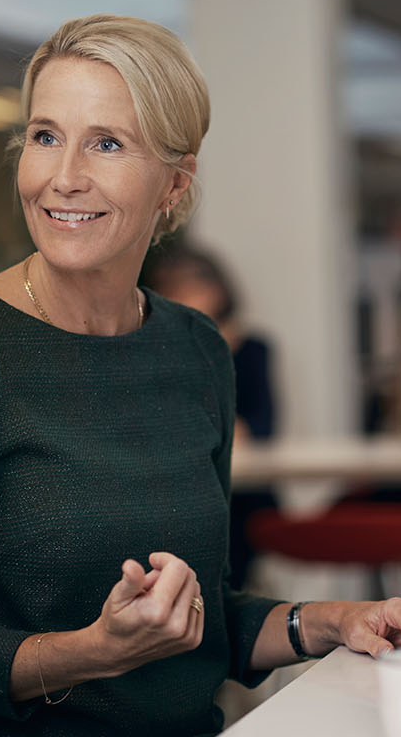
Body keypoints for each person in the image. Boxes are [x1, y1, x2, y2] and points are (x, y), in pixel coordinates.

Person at [0, 14, 401, 736]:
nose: (63, 178)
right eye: (45, 136)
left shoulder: (197, 350)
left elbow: (201, 619)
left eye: (106, 143)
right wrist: (92, 653)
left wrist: (330, 620)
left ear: (176, 181)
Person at [150, 244, 278, 591]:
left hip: (244, 493)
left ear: (217, 290)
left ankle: (227, 604)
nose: (177, 298)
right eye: (168, 289)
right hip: (181, 488)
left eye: (186, 288)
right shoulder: (159, 353)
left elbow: (262, 426)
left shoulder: (252, 349)